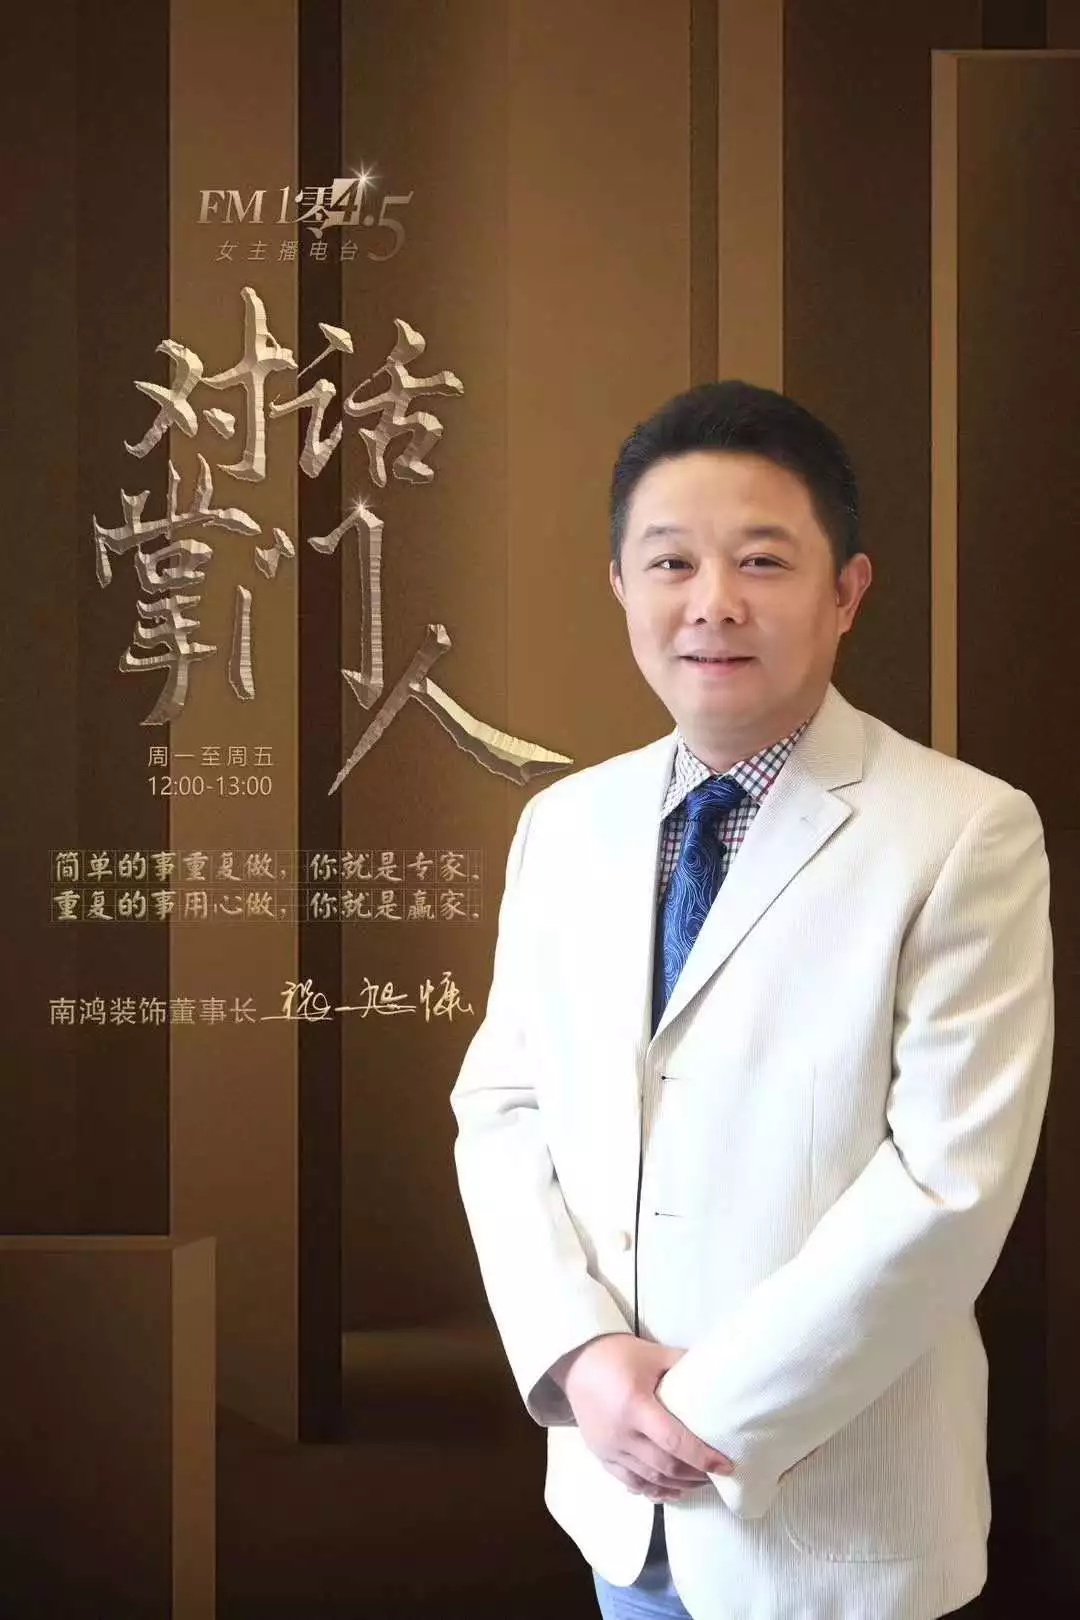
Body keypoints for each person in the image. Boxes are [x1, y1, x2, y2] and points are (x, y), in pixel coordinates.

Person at [449, 379, 1053, 1620]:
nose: (713, 600)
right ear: (621, 587)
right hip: (618, 1507)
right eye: (671, 561)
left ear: (848, 592)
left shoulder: (963, 831)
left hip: (835, 1525)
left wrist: (703, 1412)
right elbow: (503, 1111)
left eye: (763, 560)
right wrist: (582, 1359)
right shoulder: (565, 825)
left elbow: (951, 1182)